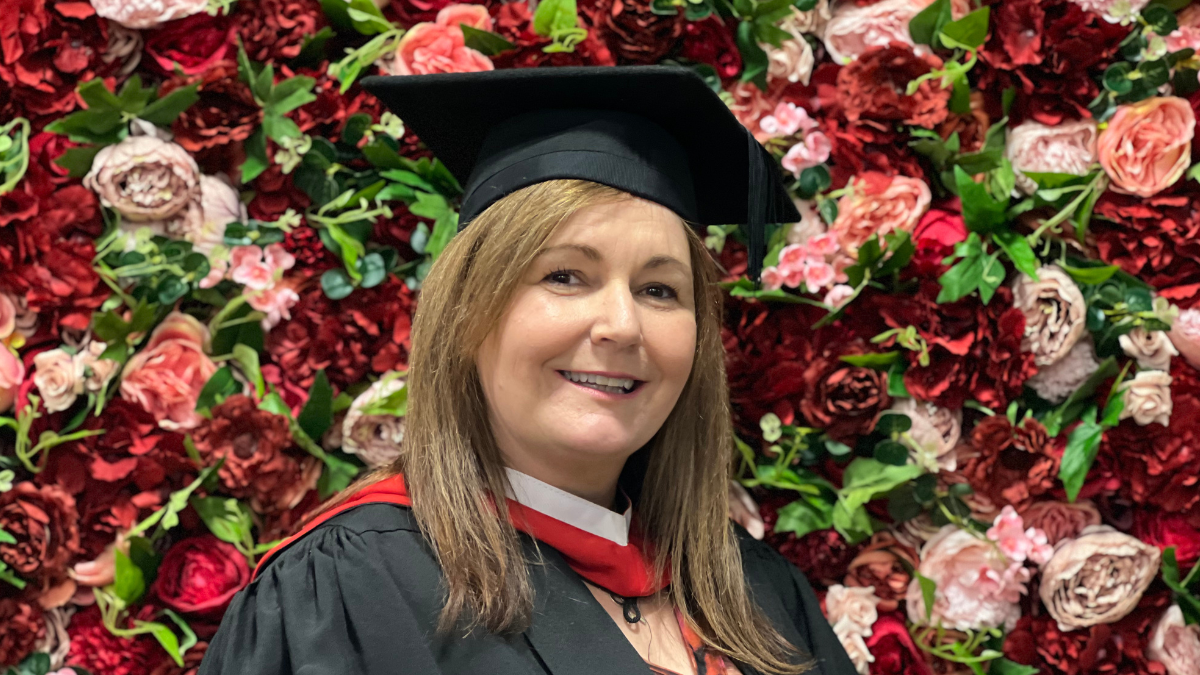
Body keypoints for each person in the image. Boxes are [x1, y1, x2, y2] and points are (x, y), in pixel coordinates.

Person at [199, 66, 856, 675]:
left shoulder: (757, 591)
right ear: (467, 313)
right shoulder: (345, 590)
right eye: (565, 275)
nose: (622, 325)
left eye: (659, 290)